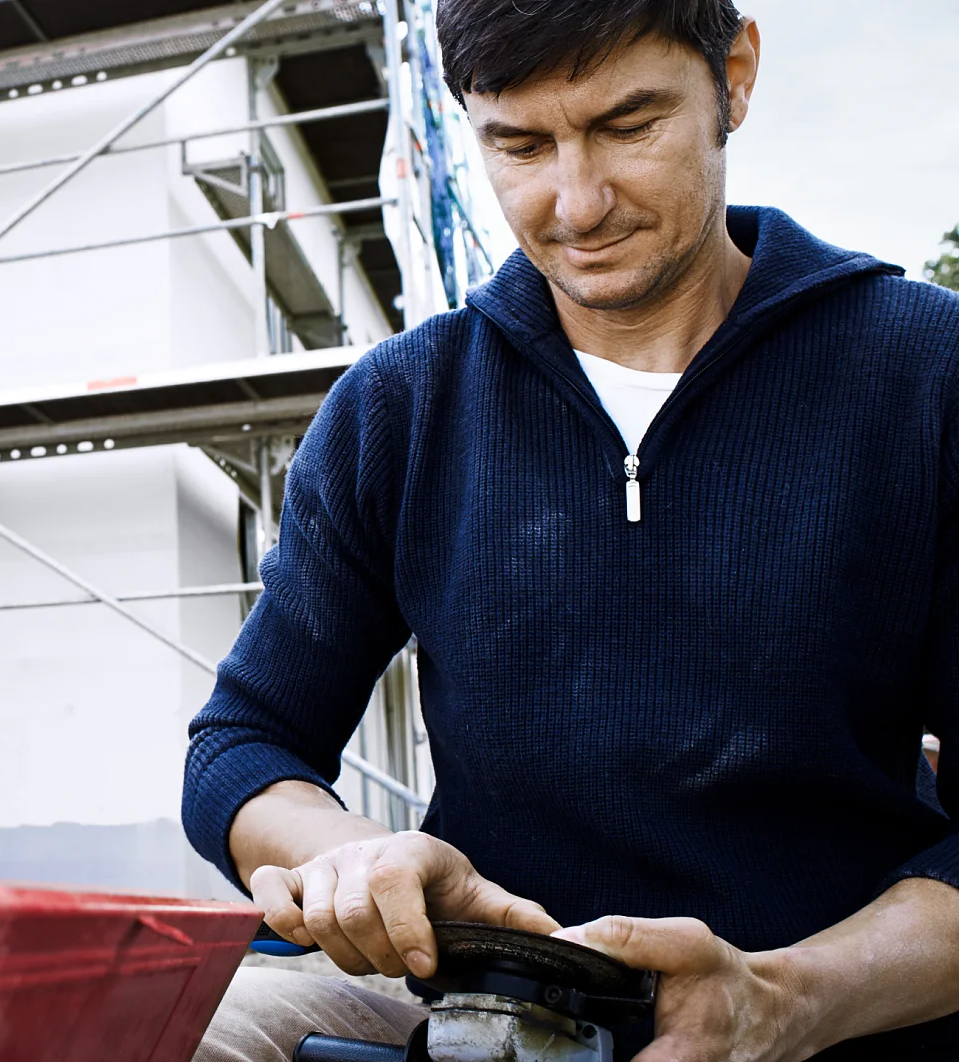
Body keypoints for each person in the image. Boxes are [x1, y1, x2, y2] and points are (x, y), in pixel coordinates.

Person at [184, 2, 959, 1059]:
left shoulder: (925, 376)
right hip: (475, 1014)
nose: (575, 203)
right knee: (167, 1032)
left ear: (732, 75)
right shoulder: (400, 407)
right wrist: (360, 861)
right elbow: (242, 744)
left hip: (839, 1013)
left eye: (628, 125)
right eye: (519, 144)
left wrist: (784, 1000)